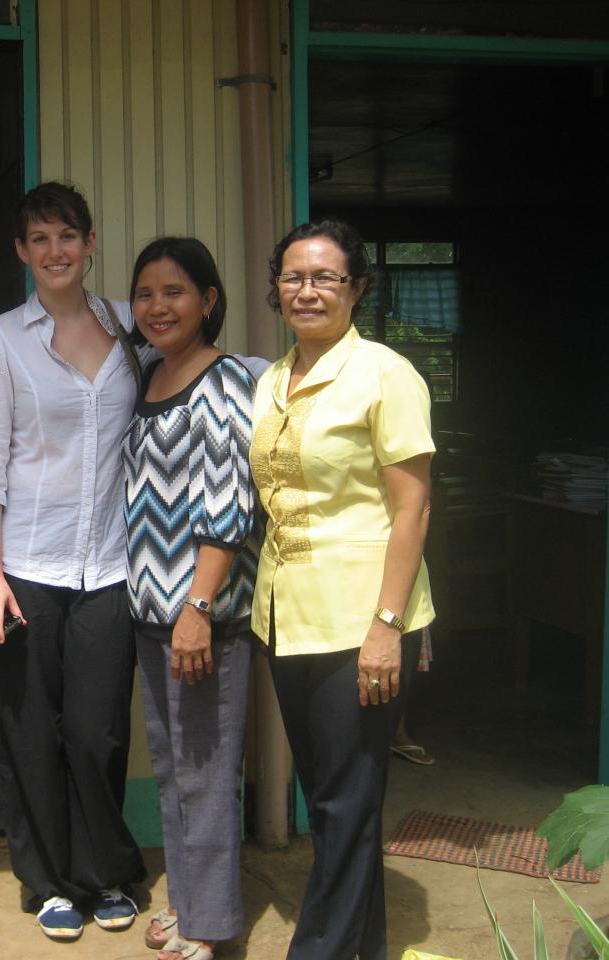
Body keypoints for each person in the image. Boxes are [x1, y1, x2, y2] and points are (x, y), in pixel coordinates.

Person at [0, 181, 146, 942]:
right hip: (27, 565)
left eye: (68, 235)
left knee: (97, 732)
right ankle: (49, 881)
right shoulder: (3, 339)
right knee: (30, 730)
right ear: (21, 251)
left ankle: (104, 872)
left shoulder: (130, 326)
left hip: (109, 565)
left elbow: (195, 356)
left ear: (90, 242)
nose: (56, 250)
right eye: (40, 238)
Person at [249, 219, 435, 960]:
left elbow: (413, 506)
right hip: (288, 613)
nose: (308, 290)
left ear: (357, 286)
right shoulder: (273, 378)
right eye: (294, 276)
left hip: (362, 617)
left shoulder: (385, 374)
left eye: (326, 277)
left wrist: (387, 624)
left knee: (347, 801)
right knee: (334, 806)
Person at [121, 238, 259, 960]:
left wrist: (198, 609)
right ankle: (187, 899)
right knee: (176, 767)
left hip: (202, 617)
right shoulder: (148, 371)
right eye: (145, 294)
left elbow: (230, 506)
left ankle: (210, 925)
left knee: (206, 770)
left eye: (175, 292)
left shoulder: (225, 380)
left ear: (208, 300)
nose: (157, 307)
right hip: (153, 614)